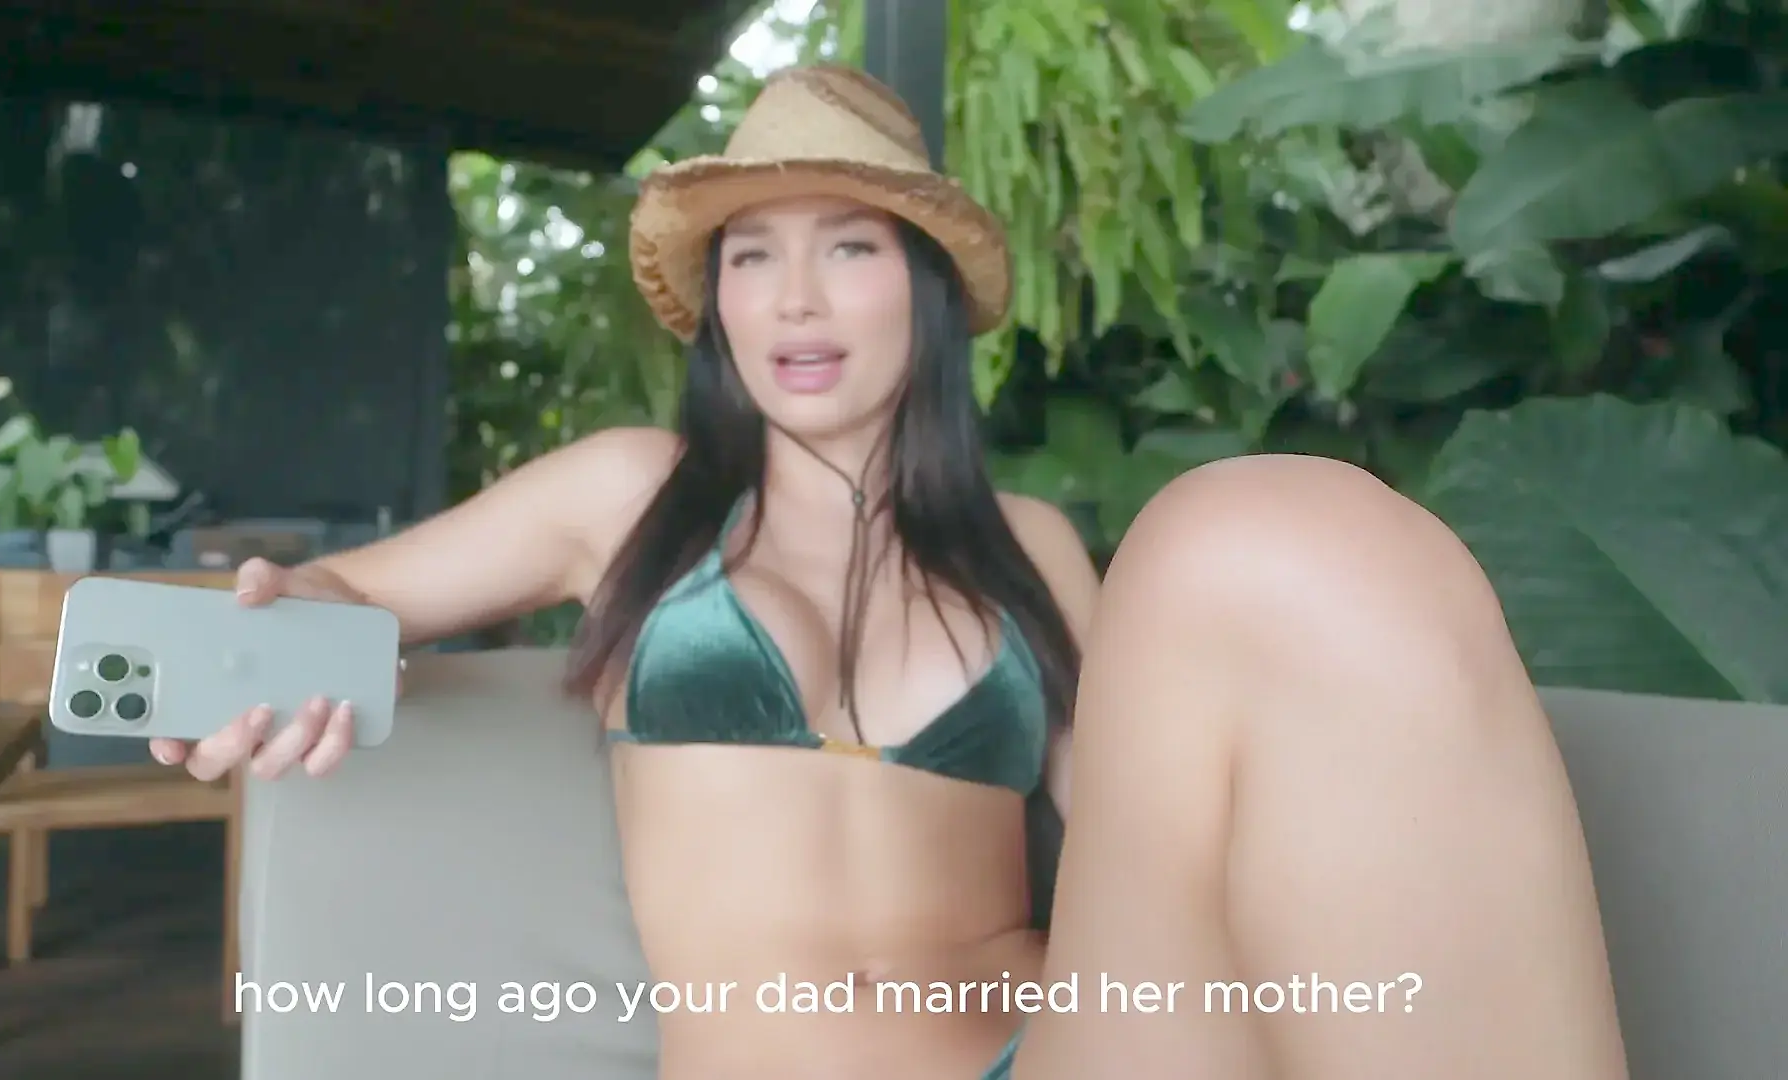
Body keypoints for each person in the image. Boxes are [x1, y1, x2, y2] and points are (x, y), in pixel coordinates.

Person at [153, 64, 1629, 1080]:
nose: (794, 298)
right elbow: (354, 592)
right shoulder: (631, 494)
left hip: (1058, 1051)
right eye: (750, 256)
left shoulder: (1025, 546)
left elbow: (1153, 827)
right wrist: (287, 638)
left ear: (921, 289)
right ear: (716, 302)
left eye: (848, 247)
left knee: (1272, 530)